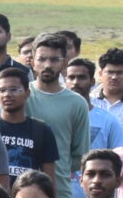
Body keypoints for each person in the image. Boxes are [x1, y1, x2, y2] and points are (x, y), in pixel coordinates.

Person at [0, 66, 59, 185]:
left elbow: (49, 180)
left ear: (27, 93)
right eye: (2, 90)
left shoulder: (42, 130)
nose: (7, 94)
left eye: (14, 89)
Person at [24, 33, 91, 174]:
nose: (47, 65)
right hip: (18, 190)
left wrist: (60, 169)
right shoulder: (19, 94)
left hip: (60, 190)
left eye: (54, 60)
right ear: (32, 62)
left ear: (64, 63)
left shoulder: (77, 103)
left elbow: (80, 156)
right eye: (42, 59)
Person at [89, 47, 123, 151]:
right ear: (100, 74)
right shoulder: (89, 104)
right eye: (110, 72)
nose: (114, 77)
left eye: (119, 73)